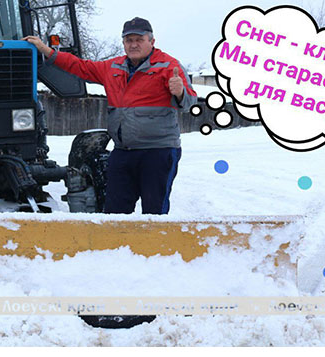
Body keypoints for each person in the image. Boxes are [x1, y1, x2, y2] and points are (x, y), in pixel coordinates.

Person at [24, 17, 197, 215]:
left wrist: (180, 92)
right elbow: (79, 66)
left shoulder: (168, 66)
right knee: (114, 213)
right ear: (123, 43)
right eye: (129, 40)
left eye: (139, 39)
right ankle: (119, 237)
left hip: (158, 152)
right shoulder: (113, 67)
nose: (133, 44)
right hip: (123, 152)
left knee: (154, 211)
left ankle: (154, 237)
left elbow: (190, 102)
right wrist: (47, 51)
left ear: (152, 41)